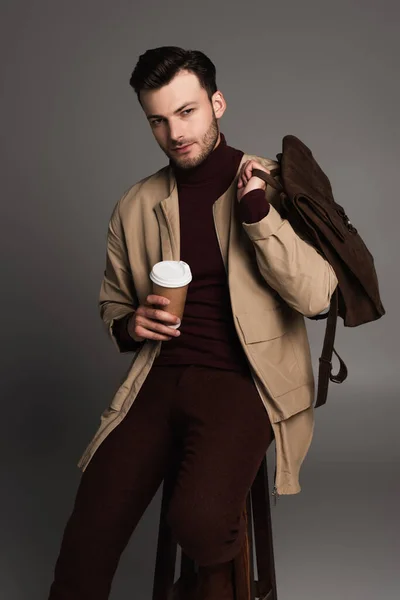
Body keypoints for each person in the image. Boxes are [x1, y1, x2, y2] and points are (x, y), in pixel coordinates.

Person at [48, 46, 338, 600]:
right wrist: (133, 325)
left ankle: (217, 586)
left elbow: (318, 296)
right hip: (158, 378)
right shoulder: (135, 205)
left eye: (187, 112)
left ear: (217, 104)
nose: (174, 132)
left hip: (244, 380)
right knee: (90, 529)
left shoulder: (275, 184)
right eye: (157, 119)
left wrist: (258, 214)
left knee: (201, 520)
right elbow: (113, 305)